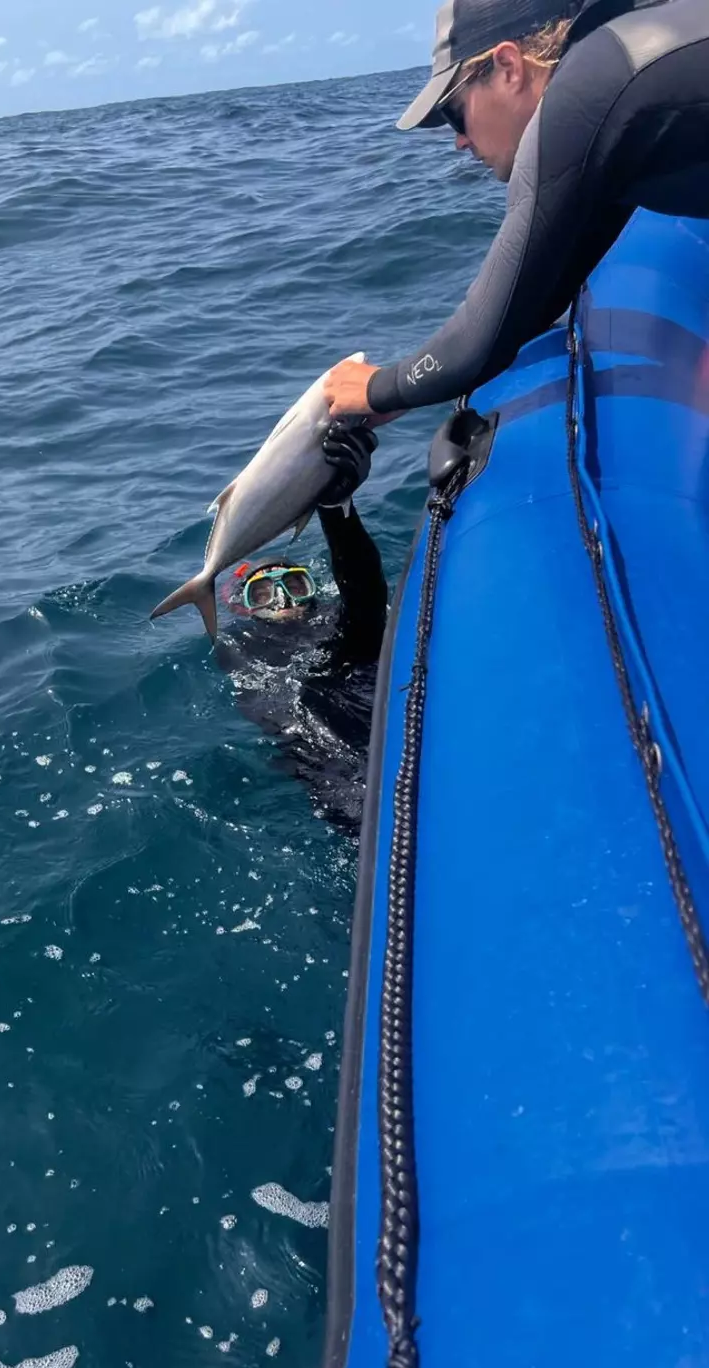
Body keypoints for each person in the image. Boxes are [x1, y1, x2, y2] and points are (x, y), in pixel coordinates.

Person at [321, 0, 709, 423]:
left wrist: (378, 388)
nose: (459, 143)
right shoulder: (616, 83)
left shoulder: (579, 103)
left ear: (508, 66)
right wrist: (402, 394)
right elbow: (538, 294)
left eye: (455, 114)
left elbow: (479, 339)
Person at [217, 422, 389, 832]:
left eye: (294, 585)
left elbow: (364, 596)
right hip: (329, 757)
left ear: (314, 590)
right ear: (243, 608)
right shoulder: (242, 645)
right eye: (262, 593)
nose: (283, 600)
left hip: (364, 688)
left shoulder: (332, 619)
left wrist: (337, 508)